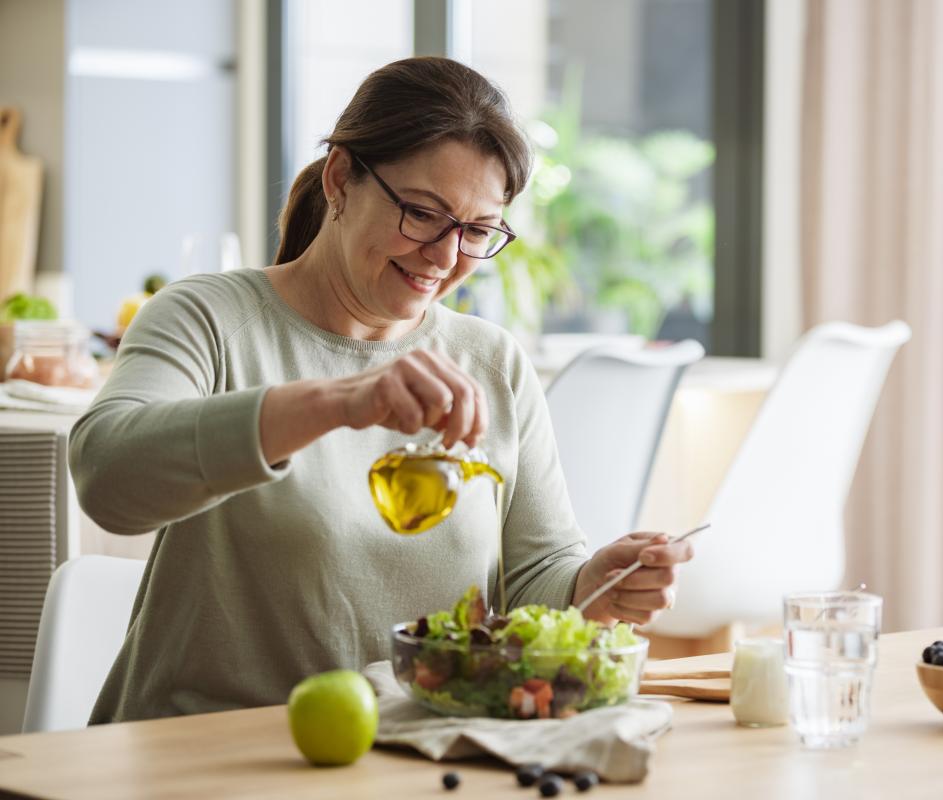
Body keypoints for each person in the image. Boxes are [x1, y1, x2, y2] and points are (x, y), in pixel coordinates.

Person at [70, 57, 694, 724]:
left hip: (414, 754)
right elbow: (109, 477)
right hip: (208, 756)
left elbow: (535, 572)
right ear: (341, 179)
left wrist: (589, 585)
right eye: (423, 214)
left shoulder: (490, 362)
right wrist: (338, 401)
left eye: (478, 231)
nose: (447, 256)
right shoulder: (210, 319)